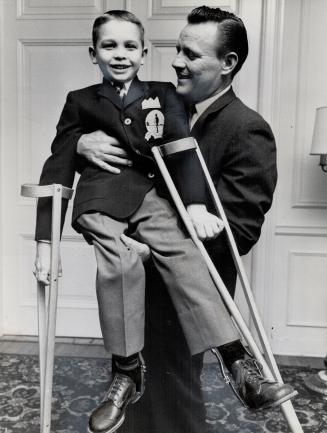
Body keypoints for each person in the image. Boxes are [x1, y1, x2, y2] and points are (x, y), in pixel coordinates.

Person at [33, 9, 295, 433]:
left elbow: (239, 232)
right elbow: (109, 164)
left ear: (227, 64)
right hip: (132, 290)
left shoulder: (247, 128)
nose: (175, 61)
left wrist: (156, 242)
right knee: (139, 403)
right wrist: (79, 142)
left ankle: (238, 365)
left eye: (189, 53)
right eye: (176, 49)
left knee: (176, 405)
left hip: (185, 296)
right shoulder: (156, 102)